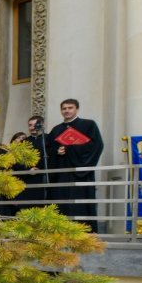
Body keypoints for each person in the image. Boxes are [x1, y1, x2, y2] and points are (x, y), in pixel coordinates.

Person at [44, 98, 105, 232]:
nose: (67, 111)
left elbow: (96, 145)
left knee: (80, 204)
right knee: (60, 203)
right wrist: (57, 150)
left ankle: (82, 232)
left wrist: (70, 149)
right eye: (64, 108)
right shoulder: (56, 129)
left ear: (77, 109)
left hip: (80, 173)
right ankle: (59, 232)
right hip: (60, 174)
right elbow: (47, 149)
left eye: (70, 108)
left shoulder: (88, 125)